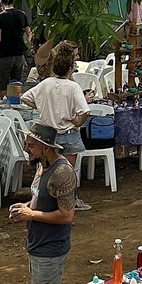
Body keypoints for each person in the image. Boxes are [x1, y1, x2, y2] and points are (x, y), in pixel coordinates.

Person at [9, 122, 77, 284]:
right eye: (26, 144)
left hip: (50, 248)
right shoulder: (41, 165)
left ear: (46, 148)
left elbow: (66, 216)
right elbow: (41, 199)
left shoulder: (62, 172)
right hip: (37, 244)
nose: (26, 149)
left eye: (31, 146)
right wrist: (25, 207)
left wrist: (30, 214)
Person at [20, 41, 92, 209]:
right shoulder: (73, 86)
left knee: (45, 170)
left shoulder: (45, 83)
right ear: (70, 68)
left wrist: (42, 106)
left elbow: (25, 98)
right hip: (68, 133)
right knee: (69, 172)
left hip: (47, 136)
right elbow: (85, 111)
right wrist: (77, 122)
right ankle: (70, 202)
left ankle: (43, 201)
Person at [0, 0, 30, 95]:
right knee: (16, 84)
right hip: (19, 54)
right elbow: (29, 34)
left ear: (1, 2)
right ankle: (15, 106)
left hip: (5, 55)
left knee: (3, 85)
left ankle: (4, 106)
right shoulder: (22, 14)